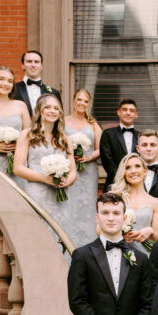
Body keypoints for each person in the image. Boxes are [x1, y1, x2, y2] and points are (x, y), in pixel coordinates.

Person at [110, 152, 158, 315]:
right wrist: (122, 234)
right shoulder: (116, 198)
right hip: (121, 256)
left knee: (145, 307)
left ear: (145, 171)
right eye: (128, 166)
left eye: (137, 166)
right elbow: (102, 230)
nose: (133, 170)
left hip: (146, 258)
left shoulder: (156, 203)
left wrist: (148, 233)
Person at [13, 94, 77, 242]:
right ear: (39, 111)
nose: (52, 111)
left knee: (61, 233)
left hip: (60, 194)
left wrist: (68, 181)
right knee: (38, 233)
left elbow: (73, 171)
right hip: (37, 193)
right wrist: (45, 178)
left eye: (56, 108)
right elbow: (18, 168)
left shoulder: (65, 138)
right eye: (47, 107)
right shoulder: (27, 135)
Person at [63, 88, 103, 246]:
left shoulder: (93, 124)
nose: (82, 103)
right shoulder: (63, 121)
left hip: (88, 172)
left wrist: (88, 157)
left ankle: (87, 243)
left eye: (85, 101)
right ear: (73, 101)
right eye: (79, 99)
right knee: (69, 206)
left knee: (87, 207)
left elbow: (100, 148)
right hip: (67, 169)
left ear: (89, 104)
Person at [99, 98, 139, 189]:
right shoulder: (108, 134)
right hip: (114, 184)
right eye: (124, 110)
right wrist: (122, 179)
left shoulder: (141, 137)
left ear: (136, 115)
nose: (128, 113)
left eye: (131, 111)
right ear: (118, 112)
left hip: (136, 186)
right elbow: (107, 160)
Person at [13, 50, 62, 118]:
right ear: (23, 66)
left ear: (41, 66)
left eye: (36, 62)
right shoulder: (13, 89)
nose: (33, 65)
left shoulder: (53, 93)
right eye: (29, 61)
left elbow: (59, 118)